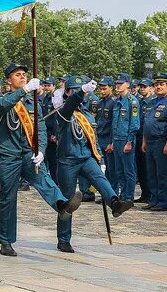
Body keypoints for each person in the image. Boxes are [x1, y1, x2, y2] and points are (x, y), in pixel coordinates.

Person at [0, 63, 82, 257]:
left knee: (43, 178)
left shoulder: (32, 102)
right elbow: (1, 108)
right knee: (8, 197)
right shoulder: (2, 99)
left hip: (27, 152)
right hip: (8, 154)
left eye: (24, 75)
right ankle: (6, 240)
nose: (23, 77)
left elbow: (40, 126)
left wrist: (41, 149)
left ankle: (61, 204)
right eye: (18, 75)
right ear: (9, 80)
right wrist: (24, 90)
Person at [53, 76, 133, 253]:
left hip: (86, 157)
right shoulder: (62, 110)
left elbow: (93, 138)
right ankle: (63, 239)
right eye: (74, 90)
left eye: (81, 90)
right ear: (67, 93)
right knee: (68, 201)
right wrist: (81, 92)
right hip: (68, 160)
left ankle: (115, 203)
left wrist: (100, 159)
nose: (80, 94)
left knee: (100, 178)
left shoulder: (87, 114)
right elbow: (72, 103)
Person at [141, 73, 167, 212]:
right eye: (156, 84)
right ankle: (154, 199)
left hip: (161, 141)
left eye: (162, 84)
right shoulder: (151, 102)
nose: (158, 87)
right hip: (149, 142)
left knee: (162, 172)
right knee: (151, 172)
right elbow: (147, 123)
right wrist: (144, 141)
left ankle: (163, 201)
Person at [110, 73, 140, 201]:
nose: (117, 86)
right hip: (116, 139)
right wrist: (112, 141)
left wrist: (129, 141)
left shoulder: (132, 101)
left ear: (127, 84)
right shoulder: (117, 101)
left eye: (120, 84)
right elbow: (114, 123)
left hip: (125, 139)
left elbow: (134, 124)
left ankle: (129, 196)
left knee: (128, 170)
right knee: (119, 170)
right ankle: (123, 194)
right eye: (116, 83)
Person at [135, 79, 155, 203]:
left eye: (144, 87)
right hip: (138, 137)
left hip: (148, 138)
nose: (142, 89)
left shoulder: (152, 102)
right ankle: (144, 194)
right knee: (141, 168)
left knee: (149, 169)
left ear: (150, 88)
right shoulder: (139, 102)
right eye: (141, 87)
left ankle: (151, 195)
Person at [96, 76, 117, 194]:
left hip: (109, 138)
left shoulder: (114, 102)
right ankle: (105, 192)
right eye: (101, 89)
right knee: (102, 168)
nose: (102, 91)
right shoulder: (100, 103)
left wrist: (112, 142)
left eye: (105, 89)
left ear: (111, 88)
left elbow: (114, 124)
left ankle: (112, 193)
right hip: (100, 138)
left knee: (111, 169)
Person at [40, 77, 59, 183]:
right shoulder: (45, 98)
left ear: (53, 86)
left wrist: (55, 133)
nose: (47, 88)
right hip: (45, 132)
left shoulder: (55, 98)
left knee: (53, 160)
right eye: (45, 85)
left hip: (52, 132)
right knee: (45, 157)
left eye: (49, 85)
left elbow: (57, 117)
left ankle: (55, 181)